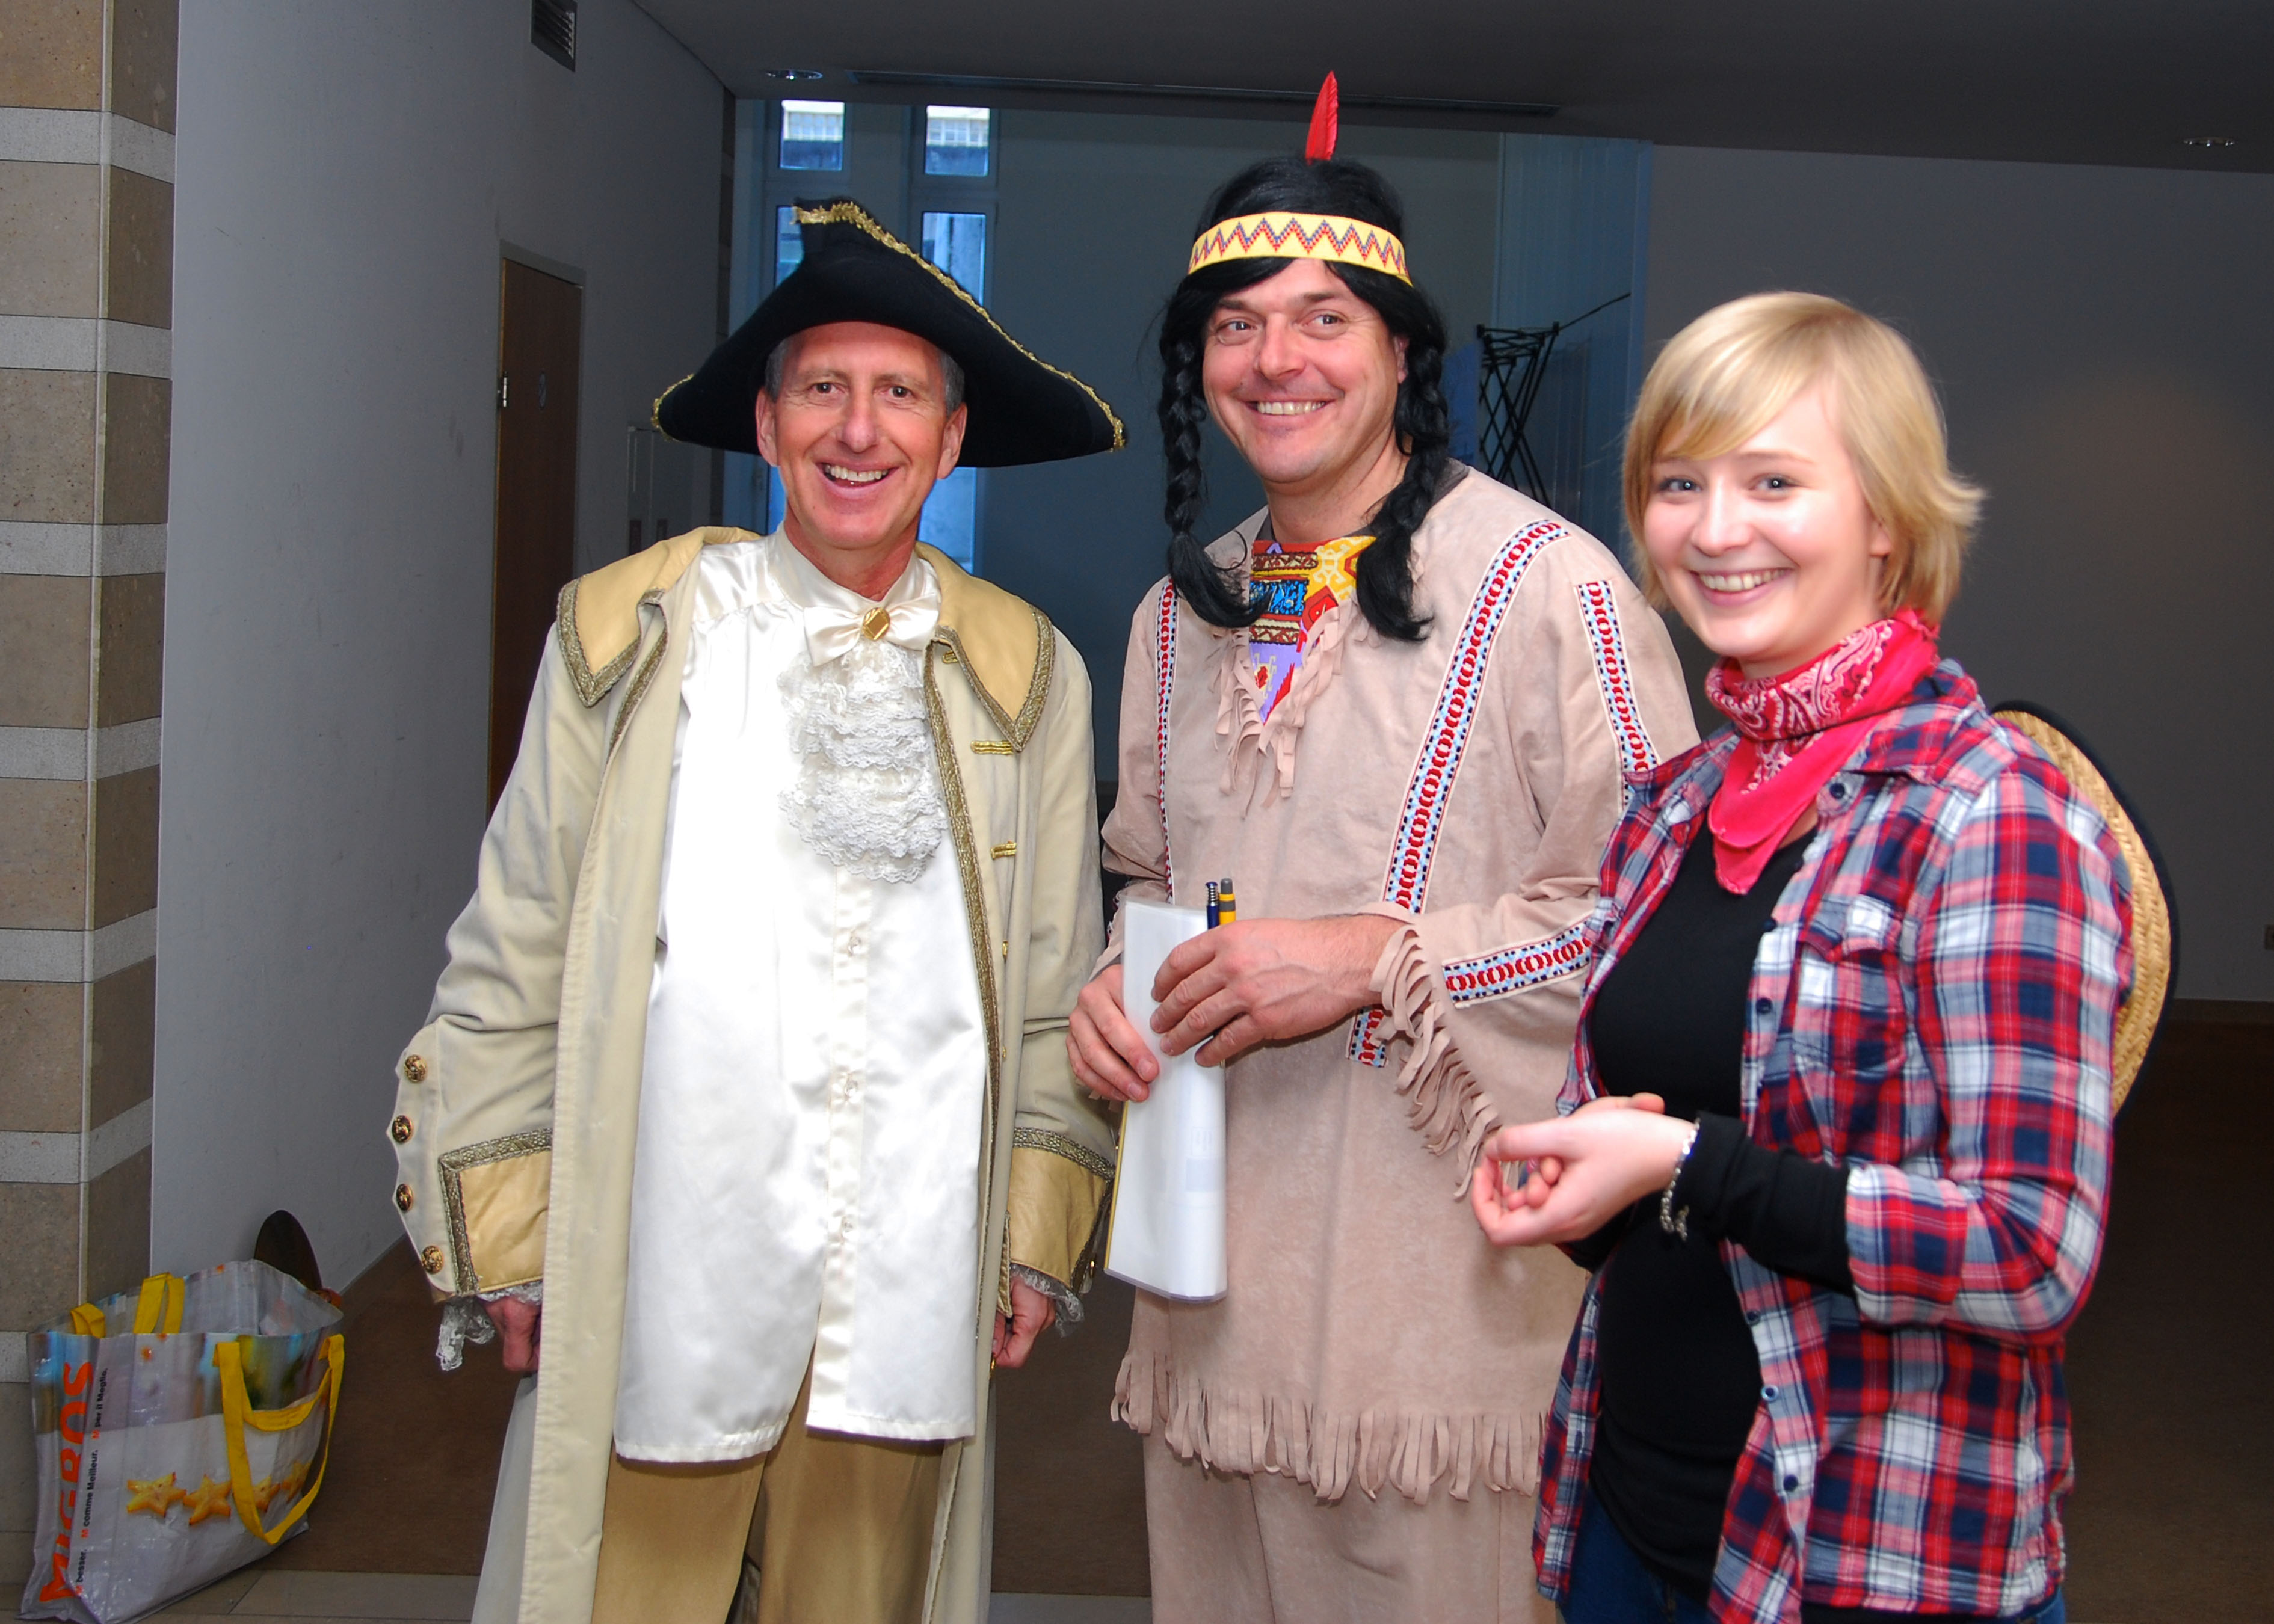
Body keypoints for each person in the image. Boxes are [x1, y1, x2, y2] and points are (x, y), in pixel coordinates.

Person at [385, 198, 1124, 1624]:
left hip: (906, 1270)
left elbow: (1051, 981)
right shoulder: (625, 632)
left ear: (951, 438)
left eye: (899, 394)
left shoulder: (1027, 671)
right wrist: (512, 1226)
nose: (860, 430)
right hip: (665, 1254)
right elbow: (516, 943)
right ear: (769, 427)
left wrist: (1034, 1225)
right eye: (822, 390)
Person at [1067, 94, 1697, 1622]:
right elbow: (1151, 878)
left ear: (1406, 352)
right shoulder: (1178, 615)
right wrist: (1109, 983)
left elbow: (1656, 924)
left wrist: (1371, 959)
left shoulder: (1551, 588)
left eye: (1323, 319)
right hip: (1215, 1287)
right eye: (1235, 325)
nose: (1275, 358)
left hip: (1442, 1311)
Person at [1471, 292, 2134, 1624]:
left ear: (1886, 517)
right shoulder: (1673, 806)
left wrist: (1685, 1164)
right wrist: (1587, 1190)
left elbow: (2030, 1252)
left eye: (1774, 481)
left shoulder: (1989, 812)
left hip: (1863, 1551)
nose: (1717, 530)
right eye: (1680, 484)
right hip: (1628, 1518)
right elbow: (1661, 1137)